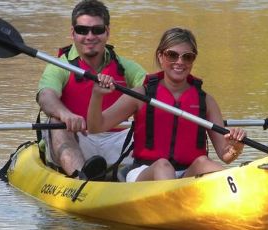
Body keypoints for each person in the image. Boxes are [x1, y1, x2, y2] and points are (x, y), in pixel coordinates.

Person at [87, 27, 247, 182]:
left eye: (187, 57)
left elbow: (225, 155)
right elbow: (95, 127)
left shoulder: (206, 101)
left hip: (187, 174)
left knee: (203, 162)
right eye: (172, 55)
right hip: (145, 171)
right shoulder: (141, 94)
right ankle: (174, 204)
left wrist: (236, 147)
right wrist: (96, 95)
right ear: (160, 56)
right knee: (163, 166)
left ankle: (240, 193)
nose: (180, 62)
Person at [37, 0, 146, 178]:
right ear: (73, 33)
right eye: (82, 30)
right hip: (77, 139)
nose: (90, 36)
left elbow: (153, 90)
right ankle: (81, 178)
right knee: (55, 122)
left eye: (97, 30)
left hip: (119, 140)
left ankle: (136, 174)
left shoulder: (125, 67)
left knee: (151, 121)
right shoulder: (59, 66)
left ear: (107, 32)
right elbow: (45, 95)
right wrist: (65, 114)